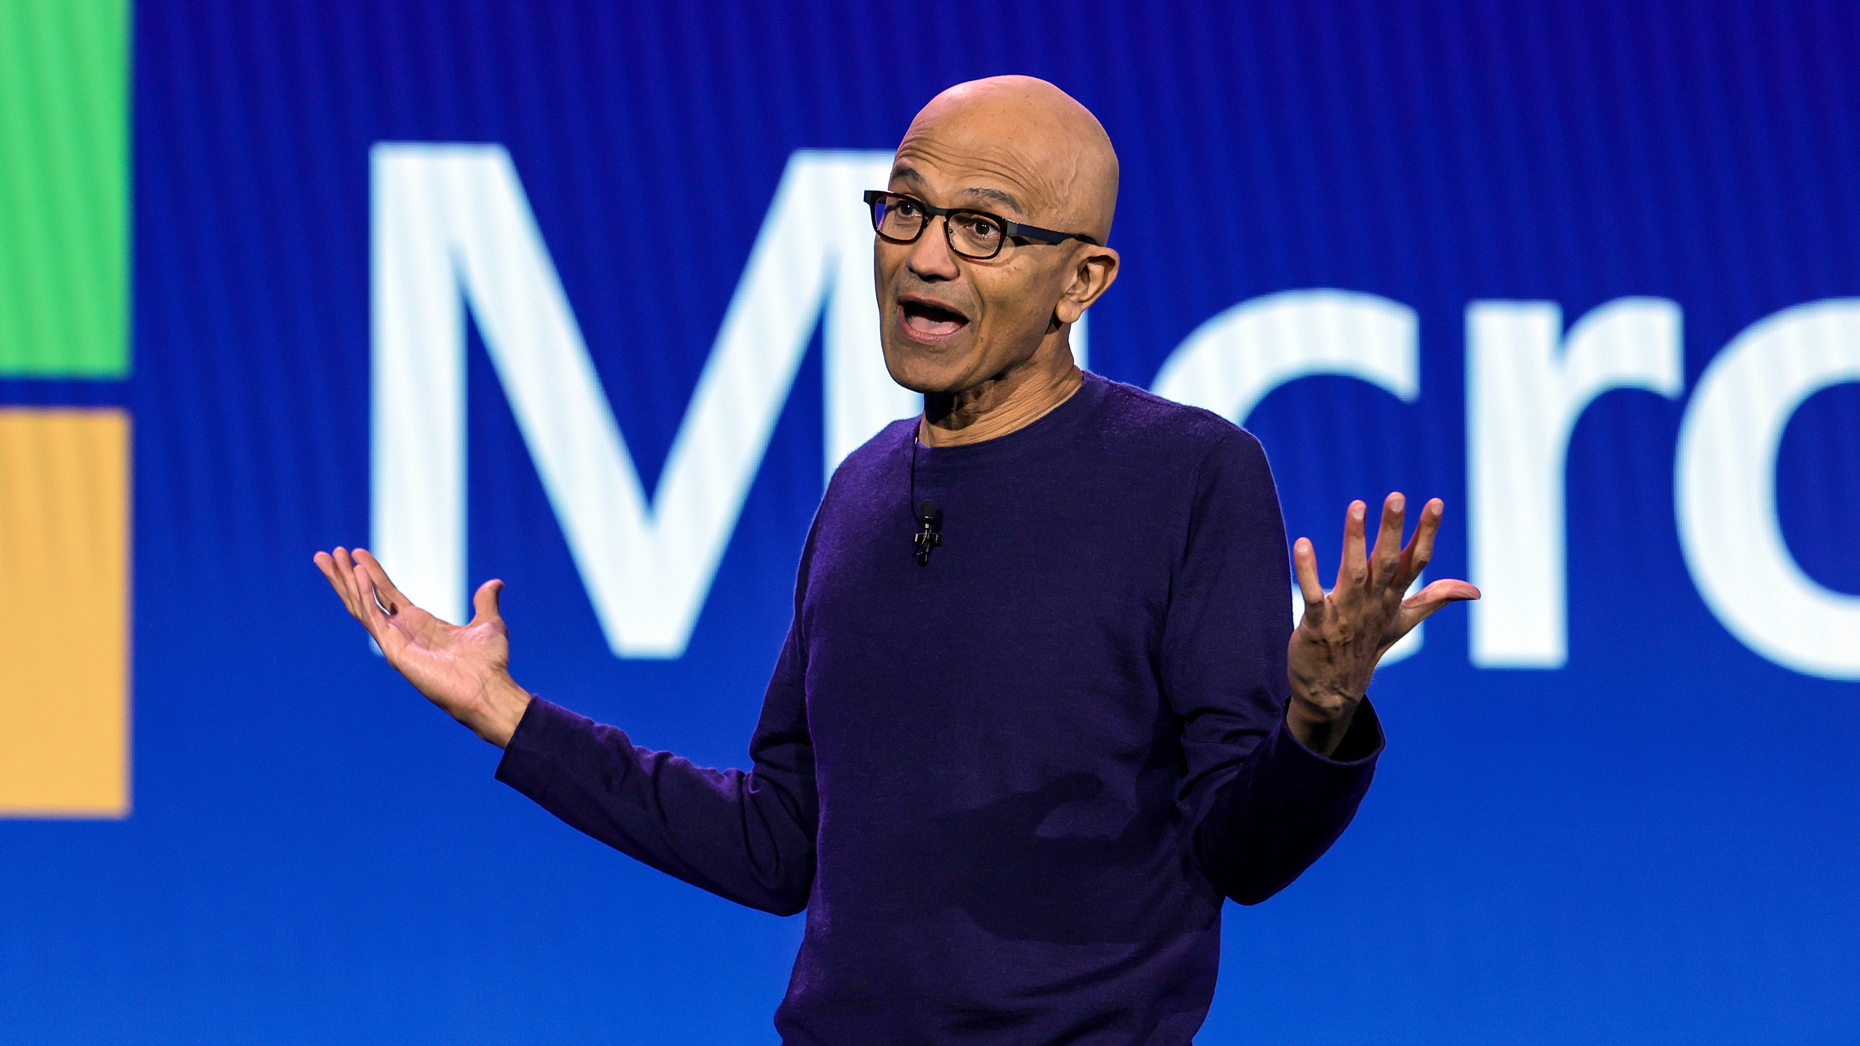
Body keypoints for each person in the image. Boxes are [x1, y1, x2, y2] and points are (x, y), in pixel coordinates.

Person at [316, 75, 1478, 1044]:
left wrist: (1320, 716)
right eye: (904, 210)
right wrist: (511, 714)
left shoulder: (1191, 475)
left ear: (1081, 279)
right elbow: (781, 843)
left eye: (983, 227)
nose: (925, 256)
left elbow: (1244, 848)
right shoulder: (861, 489)